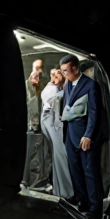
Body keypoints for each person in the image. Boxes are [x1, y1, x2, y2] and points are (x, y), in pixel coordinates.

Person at [59, 54, 104, 219]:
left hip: (85, 136)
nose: (63, 74)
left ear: (75, 68)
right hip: (70, 134)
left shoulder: (91, 85)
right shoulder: (68, 84)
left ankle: (95, 209)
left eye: (66, 71)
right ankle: (81, 202)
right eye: (62, 71)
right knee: (75, 170)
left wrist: (88, 135)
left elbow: (95, 112)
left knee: (90, 172)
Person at [41, 68, 73, 199]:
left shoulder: (59, 89)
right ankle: (65, 191)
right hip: (54, 127)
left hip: (56, 126)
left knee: (59, 157)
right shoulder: (52, 89)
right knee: (59, 156)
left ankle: (63, 190)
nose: (53, 77)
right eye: (52, 74)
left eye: (56, 74)